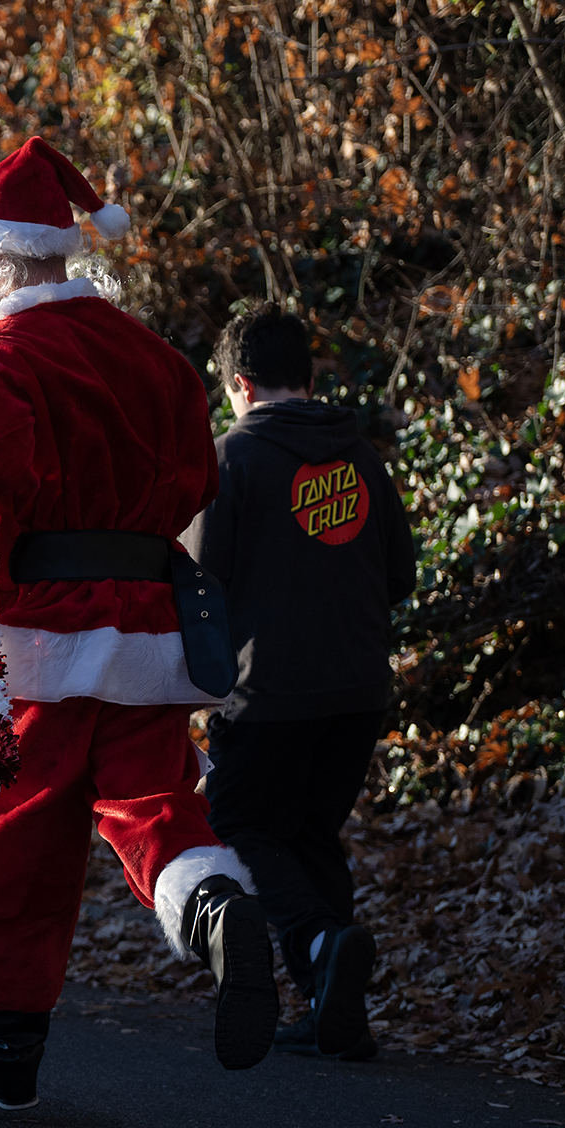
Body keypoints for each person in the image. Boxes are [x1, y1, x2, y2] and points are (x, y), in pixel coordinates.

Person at [0, 136, 280, 1112]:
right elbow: (195, 482)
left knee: (19, 834)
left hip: (27, 639)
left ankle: (5, 1038)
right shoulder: (158, 360)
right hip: (149, 634)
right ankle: (211, 902)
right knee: (153, 802)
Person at [182, 307, 417, 1060]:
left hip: (269, 693)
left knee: (240, 824)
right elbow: (402, 576)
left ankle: (319, 948)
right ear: (311, 379)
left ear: (239, 385)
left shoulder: (232, 461)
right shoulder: (363, 457)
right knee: (312, 834)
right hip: (358, 693)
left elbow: (197, 583)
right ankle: (335, 1009)